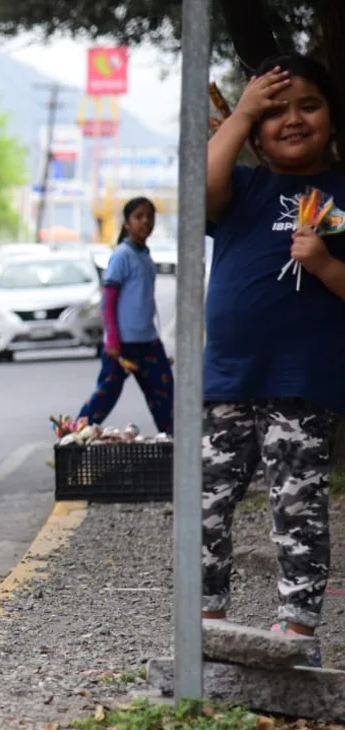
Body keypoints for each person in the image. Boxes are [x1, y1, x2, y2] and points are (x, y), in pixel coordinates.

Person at [202, 52, 345, 667]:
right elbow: (201, 188)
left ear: (333, 118)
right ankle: (204, 613)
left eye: (308, 106)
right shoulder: (245, 189)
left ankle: (298, 623)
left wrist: (325, 265)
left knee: (296, 502)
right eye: (274, 111)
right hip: (226, 377)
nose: (292, 120)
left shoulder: (344, 192)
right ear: (253, 132)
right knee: (205, 499)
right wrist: (241, 111)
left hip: (304, 381)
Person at [76, 197, 174, 435]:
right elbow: (109, 299)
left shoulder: (145, 255)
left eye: (150, 216)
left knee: (165, 396)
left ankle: (176, 448)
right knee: (105, 395)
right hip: (122, 345)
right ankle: (73, 438)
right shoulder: (122, 255)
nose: (146, 221)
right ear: (127, 223)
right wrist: (112, 340)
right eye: (138, 217)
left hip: (148, 342)